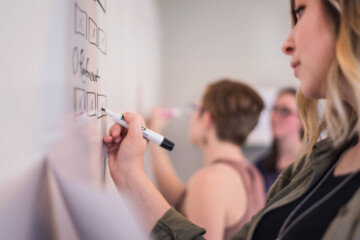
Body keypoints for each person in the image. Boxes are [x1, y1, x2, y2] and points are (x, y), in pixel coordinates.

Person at [103, 0, 360, 239]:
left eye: (301, 11)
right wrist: (129, 172)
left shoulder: (213, 180)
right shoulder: (310, 165)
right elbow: (183, 198)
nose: (286, 44)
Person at [145, 79, 265, 240]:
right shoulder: (250, 173)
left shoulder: (210, 181)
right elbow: (181, 199)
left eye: (195, 108)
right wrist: (154, 134)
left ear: (207, 118)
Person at [255, 87, 303, 193]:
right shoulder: (260, 166)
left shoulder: (311, 167)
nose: (275, 117)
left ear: (302, 120)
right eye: (274, 109)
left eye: (285, 111)